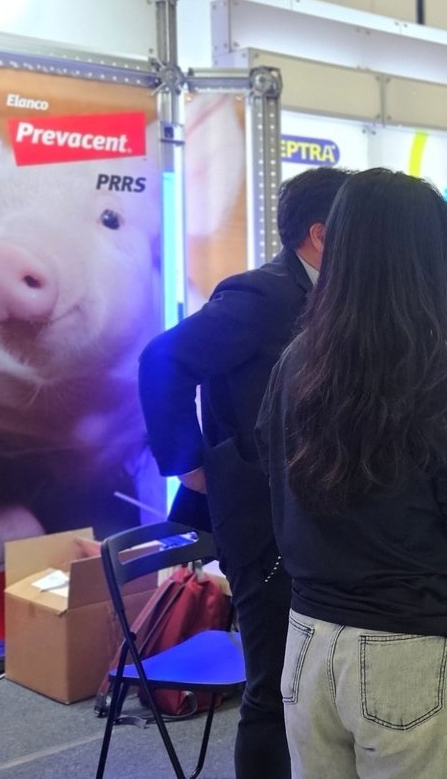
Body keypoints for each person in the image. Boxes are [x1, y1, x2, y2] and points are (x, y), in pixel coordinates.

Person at [257, 168, 447, 779]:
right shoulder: (437, 364)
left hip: (308, 638)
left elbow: (273, 483)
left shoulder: (297, 361)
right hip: (409, 647)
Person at [137, 166, 349, 779]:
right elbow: (162, 360)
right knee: (274, 687)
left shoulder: (336, 298)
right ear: (321, 235)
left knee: (309, 682)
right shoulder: (262, 296)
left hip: (312, 514)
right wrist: (191, 464)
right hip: (261, 522)